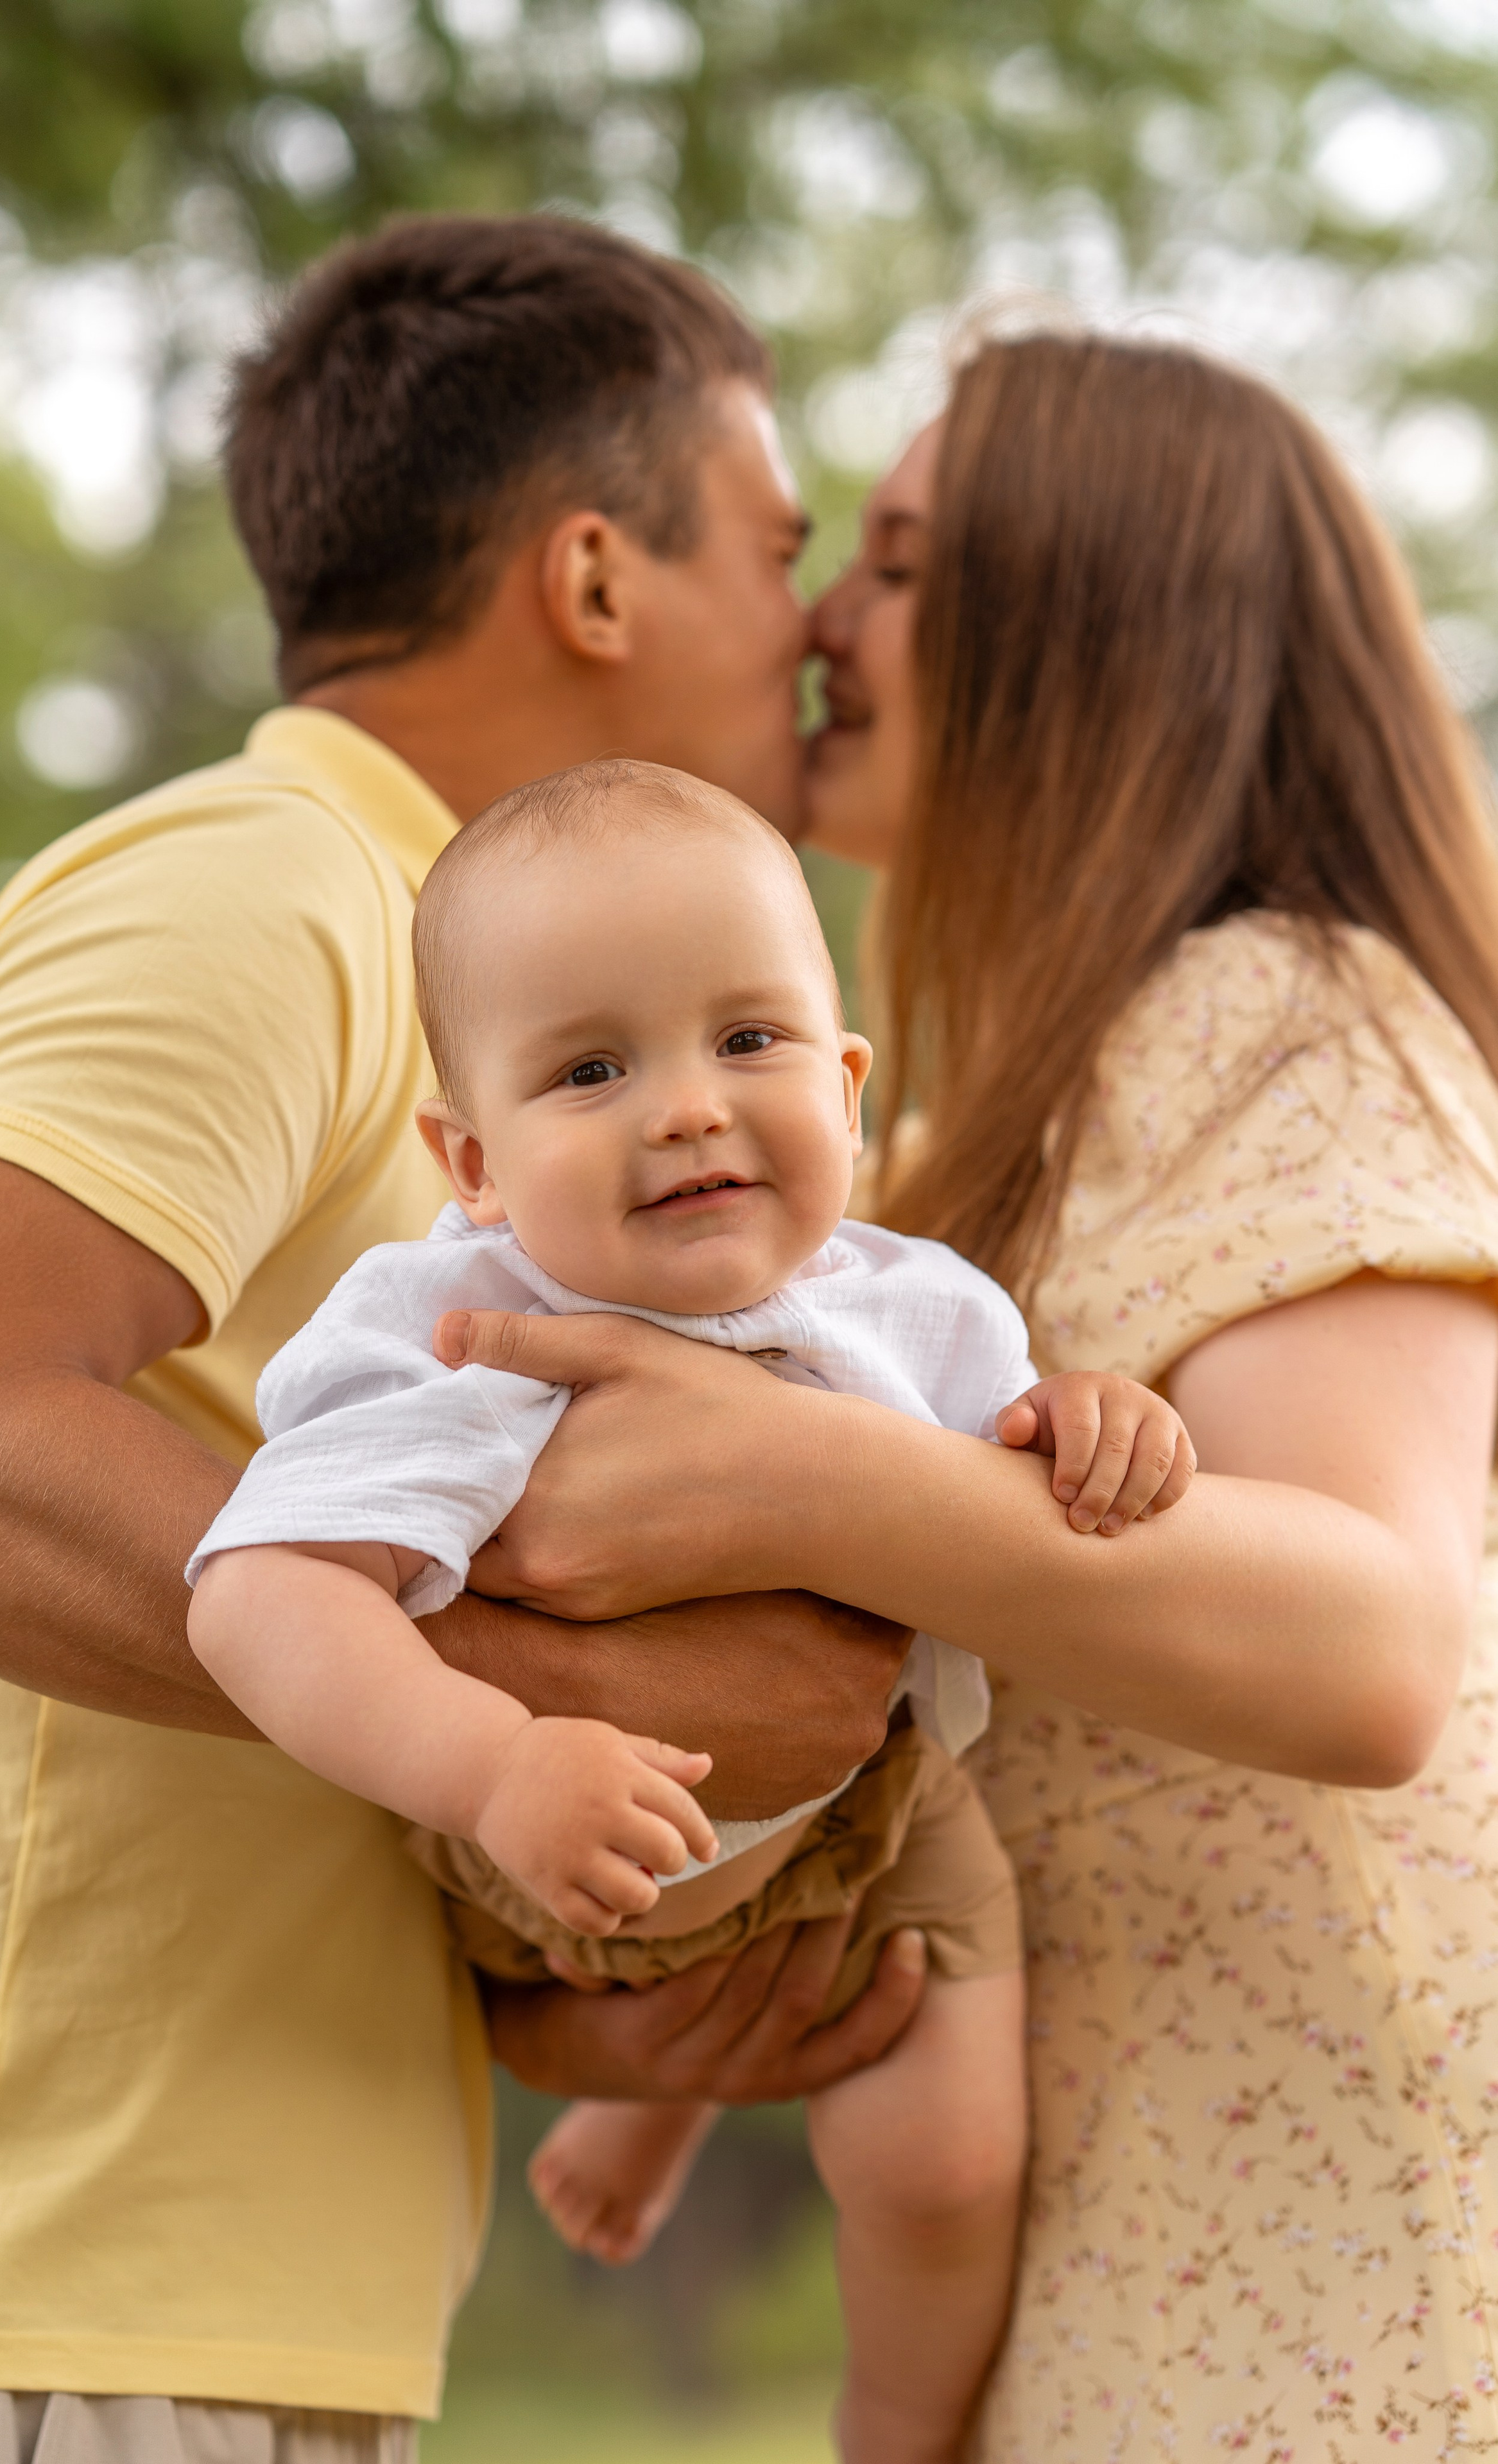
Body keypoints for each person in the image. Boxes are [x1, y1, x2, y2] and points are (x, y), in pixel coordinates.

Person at [0, 218, 933, 2464]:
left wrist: (586, 1968)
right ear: (598, 582)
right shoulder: (261, 884)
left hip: (248, 2287)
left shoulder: (512, 1040)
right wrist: (559, 1713)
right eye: (780, 548)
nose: (817, 634)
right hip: (53, 2284)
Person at [433, 336, 1498, 2456]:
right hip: (1118, 2232)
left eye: (902, 565)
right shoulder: (931, 1166)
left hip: (1343, 2268)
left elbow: (1381, 1648)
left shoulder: (1278, 1008)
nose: (828, 615)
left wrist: (793, 1485)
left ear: (1091, 636)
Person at [182, 754, 1196, 2459]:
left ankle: (891, 2431)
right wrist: (490, 1762)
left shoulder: (917, 1311)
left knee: (946, 2166)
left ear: (850, 1085)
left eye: (751, 1039)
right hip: (568, 1831)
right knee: (679, 1926)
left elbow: (1015, 1477)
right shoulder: (464, 1329)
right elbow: (258, 1594)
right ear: (473, 1158)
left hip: (863, 1816)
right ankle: (658, 2110)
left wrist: (1097, 1417)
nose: (687, 1107)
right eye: (592, 1068)